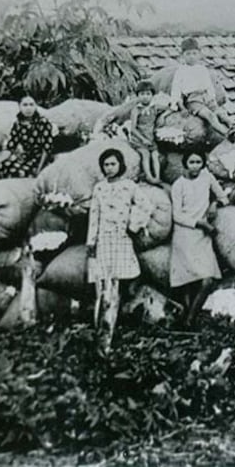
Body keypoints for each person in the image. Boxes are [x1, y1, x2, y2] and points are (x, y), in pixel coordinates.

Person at [86, 149, 151, 351]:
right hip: (103, 239)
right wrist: (91, 241)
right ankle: (102, 329)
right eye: (106, 165)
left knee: (117, 282)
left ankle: (115, 324)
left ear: (120, 165)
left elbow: (145, 206)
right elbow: (94, 215)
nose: (109, 168)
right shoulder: (99, 188)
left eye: (113, 164)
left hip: (121, 237)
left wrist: (133, 226)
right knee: (103, 283)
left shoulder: (129, 186)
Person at [170, 151, 229, 327]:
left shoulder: (207, 178)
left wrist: (214, 204)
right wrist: (200, 224)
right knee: (188, 280)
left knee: (207, 279)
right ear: (185, 164)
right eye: (191, 162)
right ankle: (188, 320)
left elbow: (223, 197)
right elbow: (177, 216)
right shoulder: (178, 185)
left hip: (202, 237)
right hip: (185, 234)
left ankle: (190, 318)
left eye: (198, 162)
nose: (195, 166)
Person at [170, 38, 235, 141]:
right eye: (188, 54)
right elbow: (176, 91)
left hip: (206, 97)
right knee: (210, 115)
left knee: (220, 112)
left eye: (194, 53)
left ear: (199, 54)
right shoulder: (180, 71)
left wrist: (212, 99)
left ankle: (234, 125)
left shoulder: (202, 69)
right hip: (193, 100)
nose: (191, 57)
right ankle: (226, 133)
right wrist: (181, 107)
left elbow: (209, 86)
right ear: (182, 56)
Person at [0, 95, 55, 181]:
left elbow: (47, 149)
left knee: (17, 173)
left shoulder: (43, 123)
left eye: (31, 105)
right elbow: (12, 144)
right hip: (25, 156)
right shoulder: (18, 124)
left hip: (39, 158)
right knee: (0, 168)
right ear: (19, 107)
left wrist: (39, 170)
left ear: (36, 106)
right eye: (25, 105)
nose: (28, 108)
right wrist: (18, 155)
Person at [127, 80, 165, 185]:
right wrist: (142, 139)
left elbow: (170, 108)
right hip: (139, 139)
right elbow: (133, 129)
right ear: (138, 96)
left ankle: (157, 177)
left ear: (152, 95)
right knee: (145, 154)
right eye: (142, 94)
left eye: (148, 94)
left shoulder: (155, 107)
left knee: (155, 155)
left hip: (150, 138)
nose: (145, 97)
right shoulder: (136, 110)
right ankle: (149, 176)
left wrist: (163, 116)